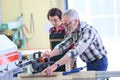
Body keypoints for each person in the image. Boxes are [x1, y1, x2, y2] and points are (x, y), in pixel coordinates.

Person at [42, 9, 108, 76]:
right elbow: (63, 45)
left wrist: (55, 65)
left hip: (99, 62)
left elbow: (76, 51)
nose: (65, 28)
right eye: (64, 24)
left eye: (67, 24)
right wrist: (50, 54)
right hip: (89, 62)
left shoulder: (88, 31)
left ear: (75, 21)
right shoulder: (72, 31)